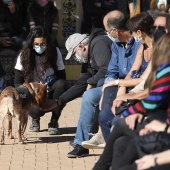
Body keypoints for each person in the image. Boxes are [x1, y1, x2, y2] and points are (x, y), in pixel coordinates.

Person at [67, 10, 142, 158]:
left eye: (107, 31)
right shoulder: (116, 46)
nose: (106, 34)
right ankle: (81, 143)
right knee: (89, 96)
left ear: (114, 30)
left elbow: (136, 74)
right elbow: (111, 71)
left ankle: (107, 138)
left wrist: (119, 86)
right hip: (116, 85)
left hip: (133, 86)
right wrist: (105, 88)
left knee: (109, 97)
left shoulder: (139, 45)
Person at [92, 32, 170, 170]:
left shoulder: (166, 69)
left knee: (121, 123)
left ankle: (100, 165)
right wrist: (123, 89)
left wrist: (131, 112)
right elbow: (143, 84)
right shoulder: (159, 65)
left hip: (163, 132)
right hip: (159, 122)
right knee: (121, 142)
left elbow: (153, 97)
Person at [14, 26, 67, 135]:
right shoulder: (24, 55)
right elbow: (17, 82)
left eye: (43, 44)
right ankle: (34, 119)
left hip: (50, 89)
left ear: (48, 43)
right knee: (37, 110)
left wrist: (52, 82)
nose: (39, 47)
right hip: (33, 94)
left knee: (62, 85)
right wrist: (28, 91)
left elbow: (62, 76)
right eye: (36, 44)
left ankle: (54, 121)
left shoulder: (55, 52)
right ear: (31, 43)